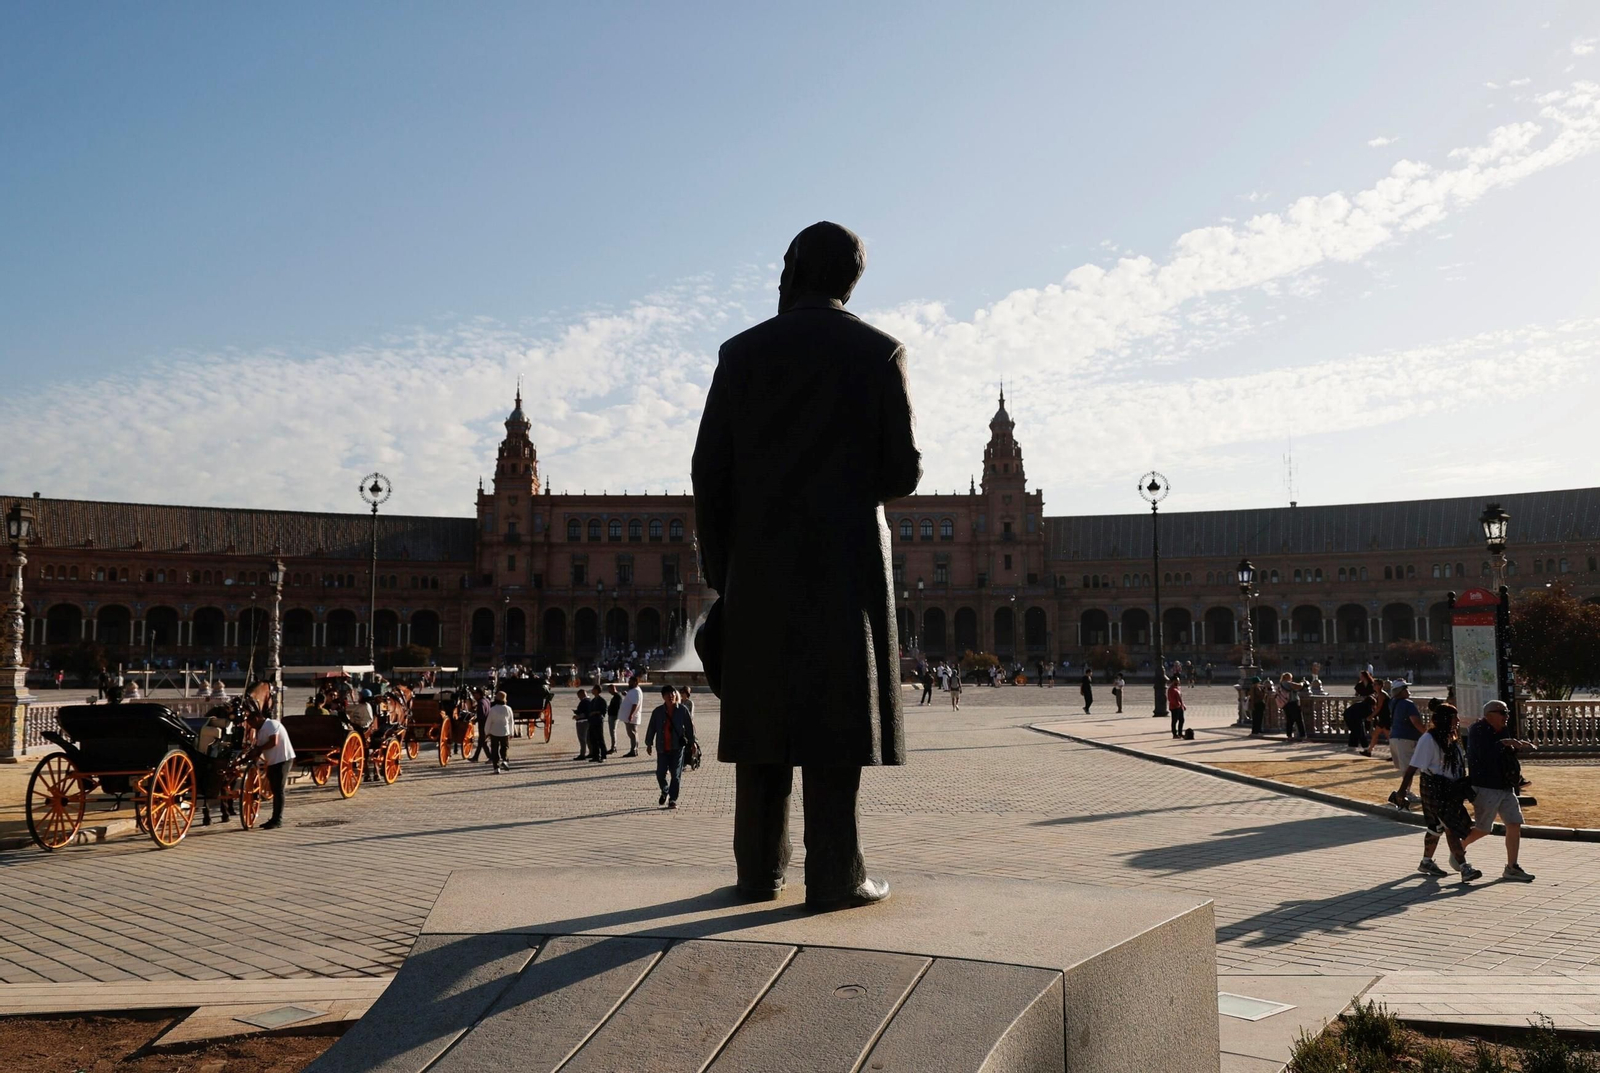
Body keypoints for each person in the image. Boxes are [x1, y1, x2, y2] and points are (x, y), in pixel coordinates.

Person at [692, 220, 920, 909]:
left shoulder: (741, 353)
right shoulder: (881, 353)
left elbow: (710, 470)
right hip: (844, 570)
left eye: (783, 262)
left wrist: (720, 570)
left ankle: (757, 870)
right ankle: (835, 873)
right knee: (835, 719)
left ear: (795, 268)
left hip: (758, 568)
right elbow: (903, 470)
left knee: (763, 716)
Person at [1404, 703, 1482, 882]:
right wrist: (1402, 791)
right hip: (1434, 788)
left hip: (1451, 789)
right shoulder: (1428, 739)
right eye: (1454, 717)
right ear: (1445, 718)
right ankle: (1464, 867)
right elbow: (1413, 766)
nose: (1458, 720)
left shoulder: (1451, 737)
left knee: (1436, 827)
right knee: (1450, 827)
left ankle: (1426, 861)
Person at [1466, 699, 1536, 882]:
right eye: (1502, 712)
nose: (1506, 716)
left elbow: (1505, 755)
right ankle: (1459, 848)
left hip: (1505, 786)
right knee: (1483, 829)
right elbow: (1482, 755)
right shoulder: (1477, 730)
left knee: (1514, 823)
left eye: (1507, 712)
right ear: (1489, 715)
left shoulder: (1503, 729)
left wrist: (1517, 746)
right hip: (1486, 786)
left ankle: (1512, 867)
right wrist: (1503, 743)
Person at [645, 683, 697, 808]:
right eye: (667, 694)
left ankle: (673, 799)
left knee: (676, 774)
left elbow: (689, 728)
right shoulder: (657, 712)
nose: (671, 696)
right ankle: (665, 790)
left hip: (677, 748)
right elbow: (652, 728)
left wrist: (692, 742)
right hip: (662, 748)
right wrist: (649, 743)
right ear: (663, 697)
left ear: (676, 695)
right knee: (660, 774)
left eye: (672, 693)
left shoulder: (682, 710)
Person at [244, 706, 295, 830]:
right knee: (274, 789)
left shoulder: (271, 724)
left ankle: (277, 820)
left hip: (283, 759)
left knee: (278, 790)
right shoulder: (260, 731)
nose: (251, 726)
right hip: (272, 762)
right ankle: (273, 819)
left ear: (257, 718)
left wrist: (259, 749)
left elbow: (274, 742)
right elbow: (258, 749)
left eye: (251, 723)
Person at [1386, 680, 1427, 810]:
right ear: (1401, 691)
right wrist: (1427, 734)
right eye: (1406, 688)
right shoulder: (1408, 704)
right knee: (1409, 767)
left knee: (1406, 767)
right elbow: (1415, 722)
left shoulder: (1393, 703)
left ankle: (1404, 791)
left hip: (1395, 737)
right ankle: (1405, 792)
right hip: (1407, 738)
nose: (1408, 690)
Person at [483, 691, 515, 773]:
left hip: (494, 732)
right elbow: (511, 721)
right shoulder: (508, 709)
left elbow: (489, 721)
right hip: (505, 731)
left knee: (494, 749)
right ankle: (504, 760)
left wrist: (487, 732)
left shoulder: (493, 709)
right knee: (504, 747)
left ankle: (496, 768)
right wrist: (511, 732)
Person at [619, 675, 644, 756]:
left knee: (632, 734)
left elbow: (634, 704)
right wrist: (626, 695)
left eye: (630, 682)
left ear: (635, 682)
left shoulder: (636, 691)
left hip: (632, 717)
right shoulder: (634, 690)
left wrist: (631, 715)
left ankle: (633, 750)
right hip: (631, 716)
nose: (628, 683)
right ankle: (634, 749)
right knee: (633, 733)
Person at [586, 685, 609, 762]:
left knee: (600, 739)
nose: (592, 691)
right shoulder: (593, 701)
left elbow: (604, 711)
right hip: (592, 722)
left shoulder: (601, 701)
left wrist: (595, 712)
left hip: (598, 721)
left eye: (593, 689)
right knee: (593, 739)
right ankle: (596, 756)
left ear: (596, 690)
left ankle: (603, 755)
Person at [1279, 673, 1304, 741]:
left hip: (1285, 704)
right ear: (1288, 678)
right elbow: (1299, 686)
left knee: (1289, 720)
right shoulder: (1288, 683)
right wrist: (1302, 683)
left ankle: (1289, 735)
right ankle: (1302, 735)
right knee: (1299, 719)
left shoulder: (1281, 684)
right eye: (1291, 677)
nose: (1291, 679)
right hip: (1292, 703)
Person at [571, 689, 591, 761]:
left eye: (579, 696)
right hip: (587, 721)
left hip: (582, 721)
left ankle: (582, 754)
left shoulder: (584, 702)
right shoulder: (589, 700)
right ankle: (591, 752)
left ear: (582, 694)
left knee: (582, 738)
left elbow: (585, 712)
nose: (579, 697)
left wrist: (578, 716)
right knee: (588, 738)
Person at [606, 683, 622, 753]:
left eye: (609, 690)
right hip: (612, 715)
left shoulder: (617, 697)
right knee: (612, 732)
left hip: (614, 716)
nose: (609, 692)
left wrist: (610, 709)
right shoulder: (615, 696)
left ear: (613, 689)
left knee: (613, 732)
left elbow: (617, 707)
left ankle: (613, 747)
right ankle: (613, 746)